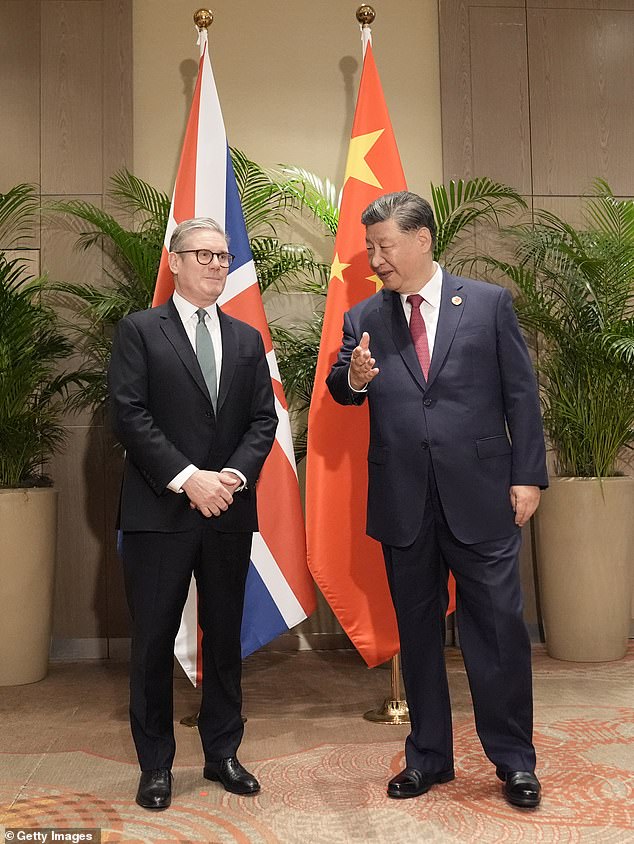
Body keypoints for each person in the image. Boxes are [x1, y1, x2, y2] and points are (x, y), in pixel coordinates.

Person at [326, 191, 548, 808]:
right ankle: (429, 758)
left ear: (422, 239)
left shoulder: (487, 303)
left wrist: (527, 476)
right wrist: (355, 377)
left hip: (482, 497)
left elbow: (520, 398)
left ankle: (514, 761)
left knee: (498, 634)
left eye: (385, 244)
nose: (376, 258)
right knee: (417, 636)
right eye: (370, 247)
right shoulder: (365, 315)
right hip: (404, 501)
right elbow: (342, 388)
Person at [108, 217, 277, 810]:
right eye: (201, 254)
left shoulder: (247, 338)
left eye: (222, 254)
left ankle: (223, 753)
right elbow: (129, 414)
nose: (214, 263)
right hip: (161, 511)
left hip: (228, 509)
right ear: (174, 263)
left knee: (226, 638)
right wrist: (188, 479)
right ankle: (155, 764)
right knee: (153, 641)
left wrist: (229, 477)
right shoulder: (140, 330)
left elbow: (263, 420)